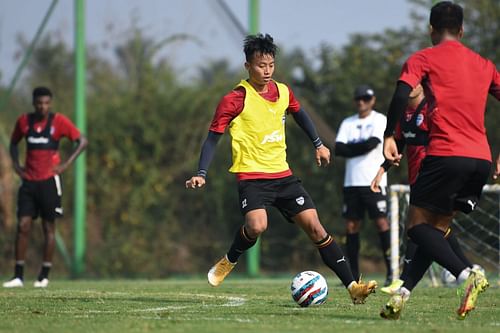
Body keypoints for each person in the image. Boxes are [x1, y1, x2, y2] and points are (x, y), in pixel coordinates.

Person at [185, 33, 377, 304]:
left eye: (271, 65)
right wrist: (201, 173)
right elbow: (213, 138)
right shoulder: (235, 99)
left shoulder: (283, 91)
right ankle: (230, 259)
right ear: (247, 66)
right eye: (261, 65)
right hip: (252, 177)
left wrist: (319, 144)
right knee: (257, 225)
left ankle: (353, 288)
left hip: (283, 176)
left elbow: (300, 114)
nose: (267, 70)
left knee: (316, 228)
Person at [380, 1, 500, 320]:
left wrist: (389, 136)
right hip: (480, 160)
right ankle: (401, 295)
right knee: (437, 230)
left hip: (446, 154)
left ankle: (466, 274)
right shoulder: (484, 64)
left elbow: (401, 95)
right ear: (462, 30)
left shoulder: (423, 58)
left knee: (416, 227)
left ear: (431, 29)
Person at [370, 84, 473, 294]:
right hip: (417, 179)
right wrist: (382, 170)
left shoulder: (432, 109)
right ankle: (469, 271)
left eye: (416, 81)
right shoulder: (402, 116)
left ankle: (411, 280)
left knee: (419, 229)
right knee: (430, 230)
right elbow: (397, 145)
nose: (411, 86)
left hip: (436, 178)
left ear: (424, 85)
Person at [3, 87, 88, 288]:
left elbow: (82, 141)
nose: (43, 106)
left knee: (48, 227)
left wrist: (66, 164)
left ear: (50, 103)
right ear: (33, 103)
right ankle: (18, 276)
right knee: (23, 225)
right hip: (29, 182)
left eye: (46, 103)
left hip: (49, 181)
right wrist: (16, 165)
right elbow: (14, 143)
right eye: (39, 103)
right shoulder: (24, 122)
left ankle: (44, 275)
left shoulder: (58, 122)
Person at [334, 85, 392, 286]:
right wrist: (358, 147)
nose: (361, 102)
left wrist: (351, 148)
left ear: (372, 100)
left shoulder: (380, 119)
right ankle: (353, 275)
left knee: (382, 223)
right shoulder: (348, 122)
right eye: (358, 99)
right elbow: (338, 148)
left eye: (365, 99)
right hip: (351, 182)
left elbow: (373, 143)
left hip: (373, 181)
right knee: (351, 226)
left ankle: (392, 272)